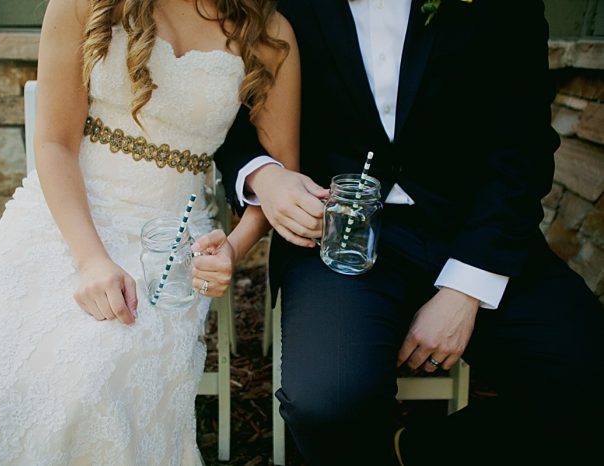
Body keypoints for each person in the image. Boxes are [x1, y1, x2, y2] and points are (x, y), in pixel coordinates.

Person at [214, 0, 604, 465]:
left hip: (475, 231)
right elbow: (223, 113)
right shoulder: (274, 4)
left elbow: (523, 146)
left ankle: (415, 453)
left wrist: (467, 287)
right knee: (326, 405)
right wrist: (264, 174)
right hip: (336, 237)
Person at [0, 0, 299, 463]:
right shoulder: (85, 4)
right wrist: (91, 259)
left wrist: (233, 249)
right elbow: (55, 142)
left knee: (99, 371)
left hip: (167, 234)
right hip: (67, 212)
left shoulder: (268, 31)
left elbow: (281, 177)